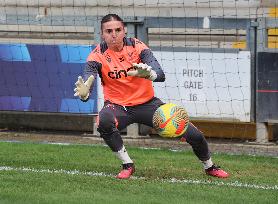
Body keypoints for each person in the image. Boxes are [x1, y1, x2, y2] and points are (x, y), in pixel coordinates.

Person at [74, 14, 229, 179]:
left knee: (194, 134)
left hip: (147, 104)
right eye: (109, 31)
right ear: (102, 34)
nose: (114, 34)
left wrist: (150, 75)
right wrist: (84, 95)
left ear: (124, 31)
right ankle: (127, 164)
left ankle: (210, 166)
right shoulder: (96, 56)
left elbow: (161, 74)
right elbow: (87, 84)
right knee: (103, 121)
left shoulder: (138, 47)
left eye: (118, 30)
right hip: (118, 107)